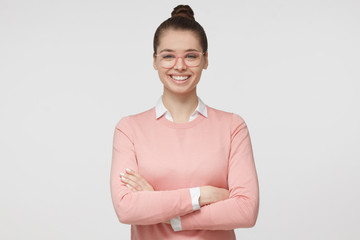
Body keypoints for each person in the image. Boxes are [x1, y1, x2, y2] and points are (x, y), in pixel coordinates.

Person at [110, 4, 259, 240]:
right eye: (168, 55)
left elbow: (245, 211)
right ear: (155, 61)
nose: (179, 66)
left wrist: (164, 211)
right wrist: (203, 195)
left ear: (205, 60)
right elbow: (126, 208)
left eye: (191, 55)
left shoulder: (232, 127)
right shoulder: (129, 129)